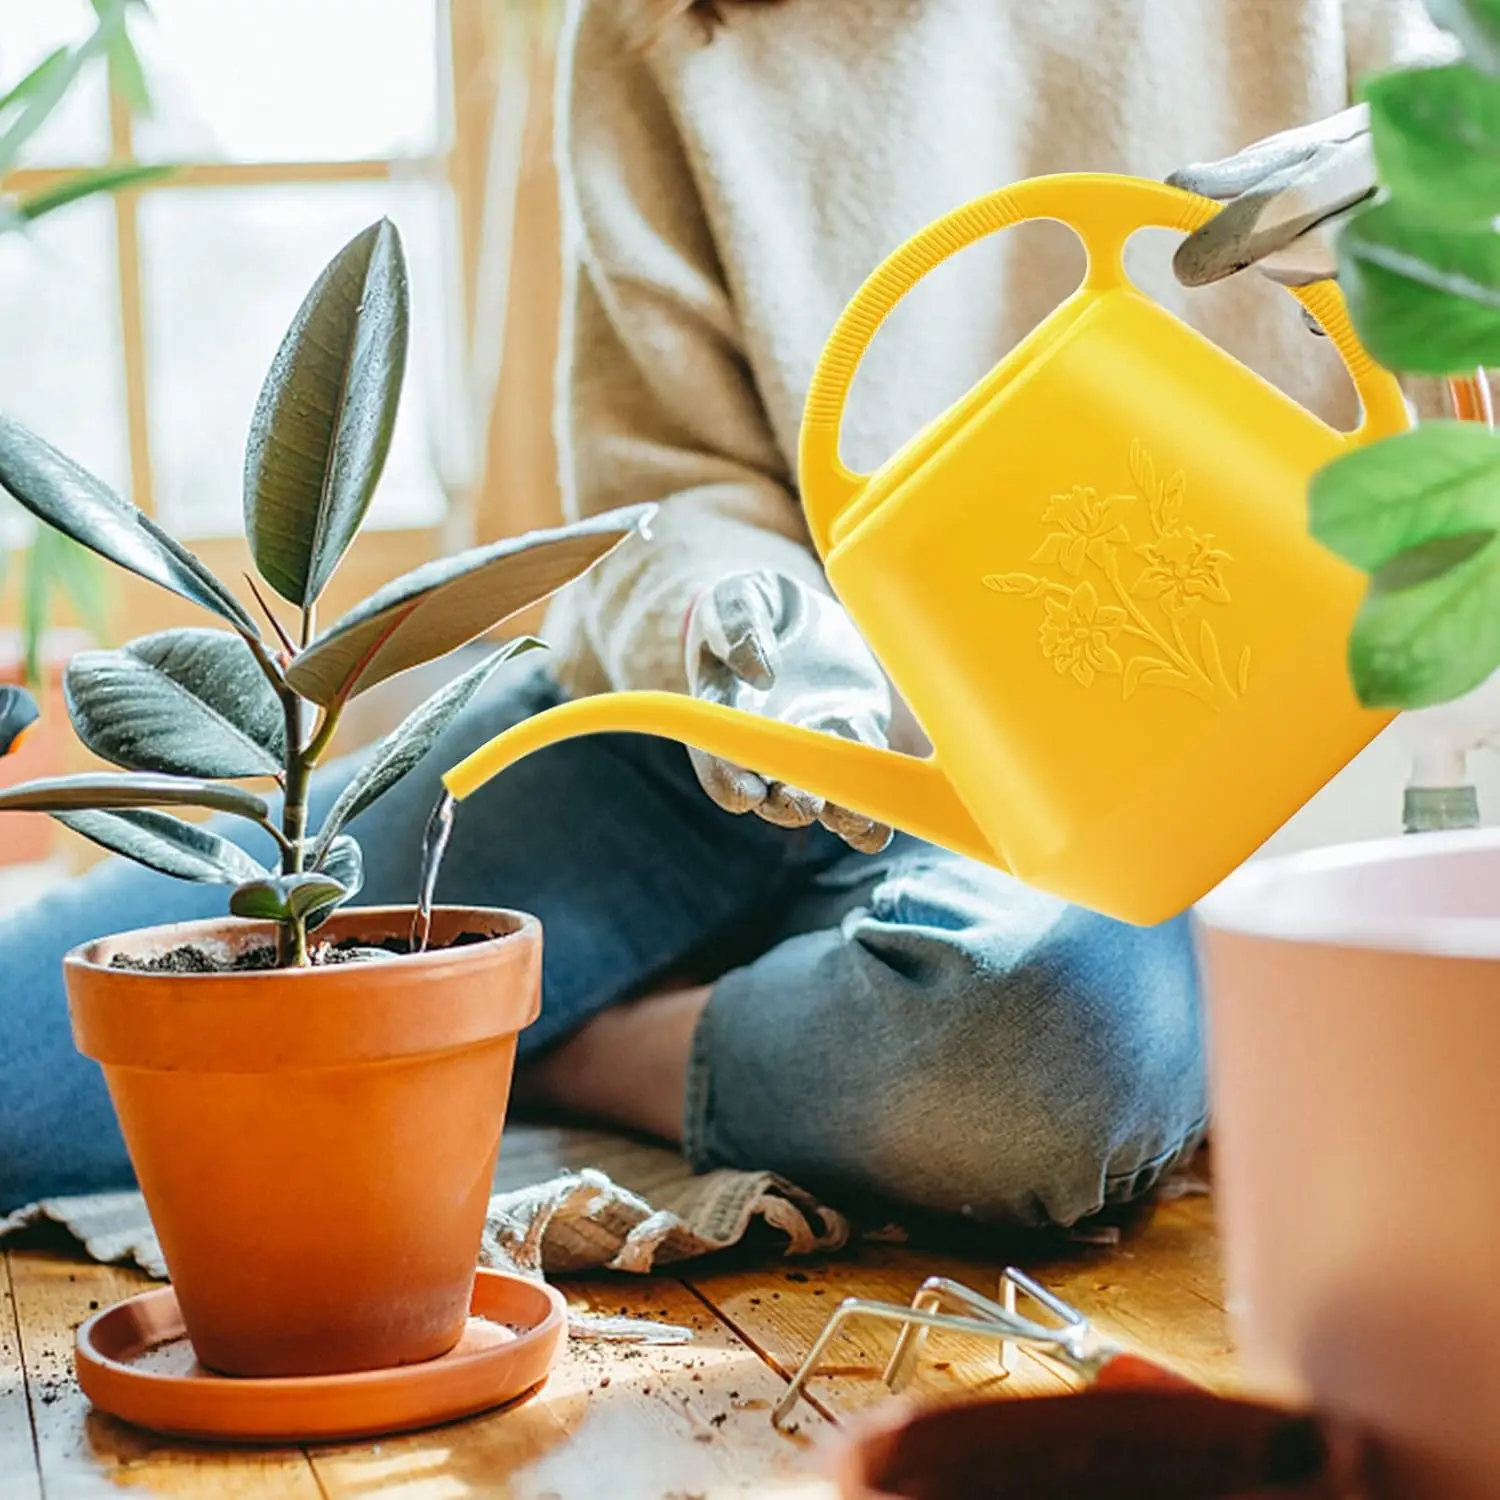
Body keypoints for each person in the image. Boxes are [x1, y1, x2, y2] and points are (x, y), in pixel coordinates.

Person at [0, 0, 1452, 1225]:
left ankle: (585, 1047)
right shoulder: (661, 26)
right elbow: (667, 484)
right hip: (720, 742)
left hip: (1142, 779)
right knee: (25, 1067)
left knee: (1041, 1057)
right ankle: (733, 1003)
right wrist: (744, 632)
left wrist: (1454, 238)